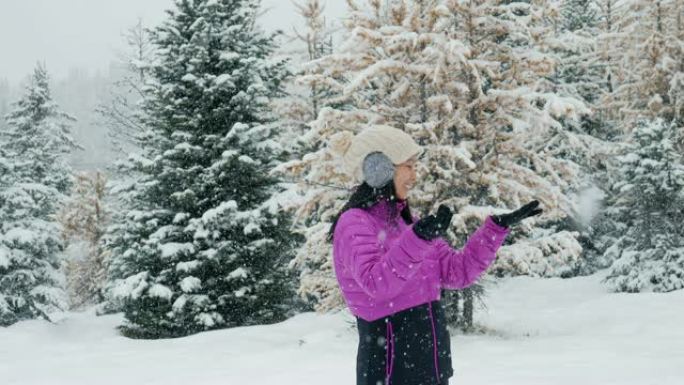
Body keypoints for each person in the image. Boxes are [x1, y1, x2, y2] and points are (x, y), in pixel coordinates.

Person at [329, 125, 542, 385]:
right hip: (390, 370)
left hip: (429, 365)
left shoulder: (408, 225)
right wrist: (419, 239)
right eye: (408, 166)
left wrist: (495, 230)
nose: (414, 176)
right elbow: (377, 284)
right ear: (378, 169)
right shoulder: (355, 223)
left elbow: (457, 272)